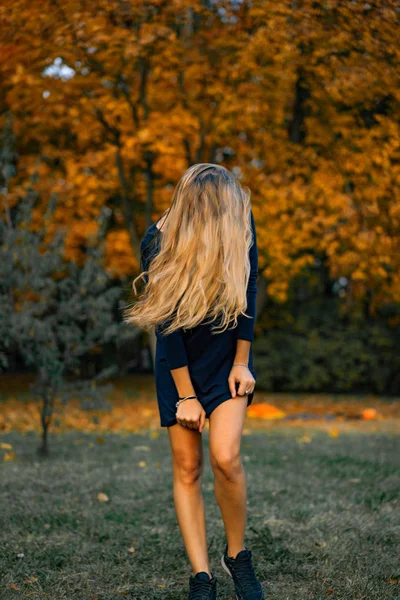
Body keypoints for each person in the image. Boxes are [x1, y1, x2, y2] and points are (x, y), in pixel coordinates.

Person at [125, 163, 264, 600]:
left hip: (226, 360)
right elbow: (166, 327)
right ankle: (201, 576)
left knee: (226, 457)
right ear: (205, 209)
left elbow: (249, 287)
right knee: (188, 468)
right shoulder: (158, 240)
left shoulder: (241, 222)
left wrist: (242, 362)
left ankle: (237, 557)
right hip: (178, 362)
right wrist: (185, 395)